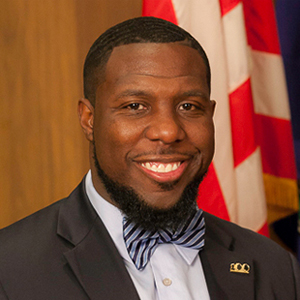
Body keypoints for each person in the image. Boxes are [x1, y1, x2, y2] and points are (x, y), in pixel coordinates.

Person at [0, 16, 299, 300]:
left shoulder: (275, 267)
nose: (168, 131)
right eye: (134, 106)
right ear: (89, 119)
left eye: (189, 106)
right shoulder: (9, 270)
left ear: (211, 115)